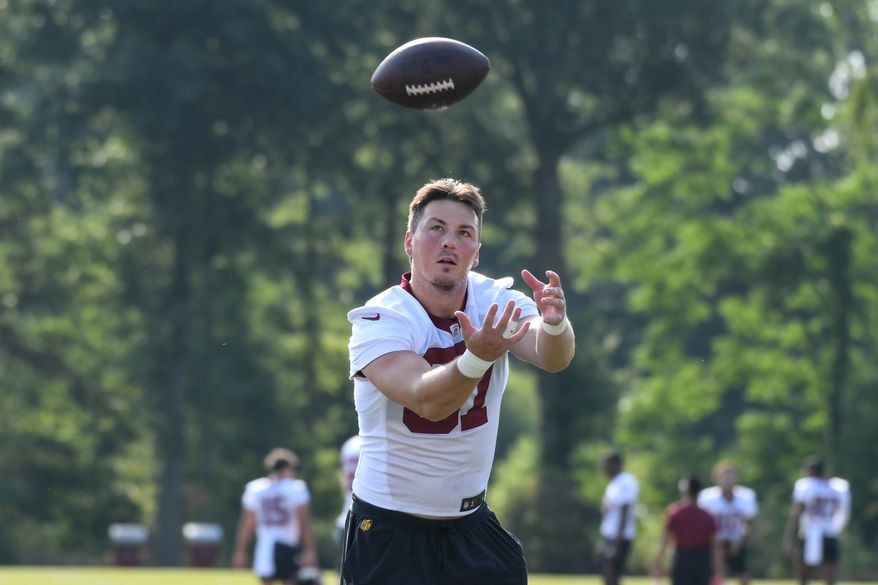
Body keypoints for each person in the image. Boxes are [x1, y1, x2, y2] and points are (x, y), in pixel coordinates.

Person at [341, 178, 576, 585]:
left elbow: (551, 357)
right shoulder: (382, 317)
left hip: (472, 528)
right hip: (391, 532)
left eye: (464, 233)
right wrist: (477, 357)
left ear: (477, 254)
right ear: (410, 243)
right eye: (436, 228)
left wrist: (556, 325)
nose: (450, 241)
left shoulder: (493, 300)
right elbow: (426, 401)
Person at [233, 448, 320, 585]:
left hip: (265, 545)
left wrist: (241, 551)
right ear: (289, 468)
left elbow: (247, 524)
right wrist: (310, 550)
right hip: (287, 544)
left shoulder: (256, 488)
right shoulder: (296, 488)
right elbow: (304, 523)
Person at [783, 456, 850, 585]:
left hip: (810, 533)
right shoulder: (838, 487)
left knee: (805, 573)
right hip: (830, 532)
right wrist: (839, 529)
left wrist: (790, 539)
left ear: (811, 471)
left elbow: (797, 514)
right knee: (829, 572)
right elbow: (844, 513)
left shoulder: (806, 485)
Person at [653, 475, 723, 585]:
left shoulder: (675, 512)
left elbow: (665, 540)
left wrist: (658, 563)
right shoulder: (708, 516)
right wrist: (718, 571)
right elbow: (715, 546)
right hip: (703, 560)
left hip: (682, 559)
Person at [698, 460, 758, 585]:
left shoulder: (746, 496)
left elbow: (750, 524)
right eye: (724, 476)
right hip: (715, 542)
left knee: (743, 574)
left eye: (731, 476)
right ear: (716, 478)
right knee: (714, 575)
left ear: (737, 478)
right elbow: (702, 525)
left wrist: (740, 540)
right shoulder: (707, 497)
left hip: (737, 540)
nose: (728, 480)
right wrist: (712, 542)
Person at [597, 451, 639, 585]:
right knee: (606, 573)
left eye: (607, 465)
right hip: (609, 535)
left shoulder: (626, 482)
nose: (604, 469)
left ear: (615, 465)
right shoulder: (614, 483)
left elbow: (624, 514)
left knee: (613, 574)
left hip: (619, 537)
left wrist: (617, 544)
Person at [335, 435, 362, 544]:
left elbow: (345, 483)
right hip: (369, 518)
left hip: (347, 516)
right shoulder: (378, 440)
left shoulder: (349, 444)